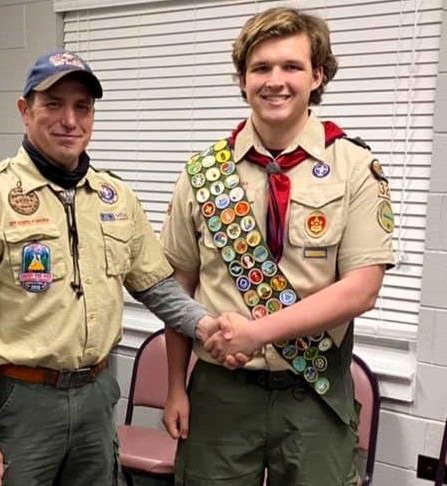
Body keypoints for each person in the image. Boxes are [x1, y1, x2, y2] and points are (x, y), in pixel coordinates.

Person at [0, 48, 218, 486]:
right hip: (19, 401)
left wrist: (205, 325)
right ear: (25, 111)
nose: (70, 120)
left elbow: (155, 286)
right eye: (53, 104)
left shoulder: (115, 198)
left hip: (97, 396)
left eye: (83, 107)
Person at [160, 7, 395, 485]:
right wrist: (174, 387)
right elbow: (177, 286)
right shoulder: (203, 173)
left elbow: (362, 289)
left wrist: (257, 333)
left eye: (291, 66)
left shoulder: (355, 167)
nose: (275, 81)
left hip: (313, 390)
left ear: (317, 76)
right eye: (260, 67)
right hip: (220, 392)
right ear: (243, 79)